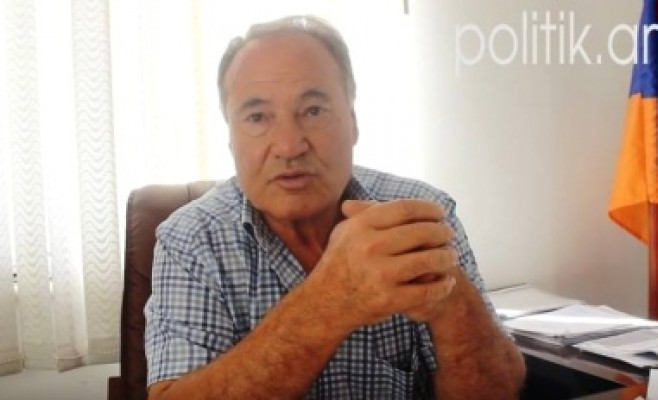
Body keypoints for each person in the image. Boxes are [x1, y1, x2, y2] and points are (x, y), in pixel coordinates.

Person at [144, 15, 525, 400]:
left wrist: (448, 292)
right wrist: (328, 304)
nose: (289, 146)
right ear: (230, 137)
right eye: (257, 117)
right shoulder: (191, 240)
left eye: (313, 110)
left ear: (353, 123)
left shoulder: (423, 213)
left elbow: (499, 390)